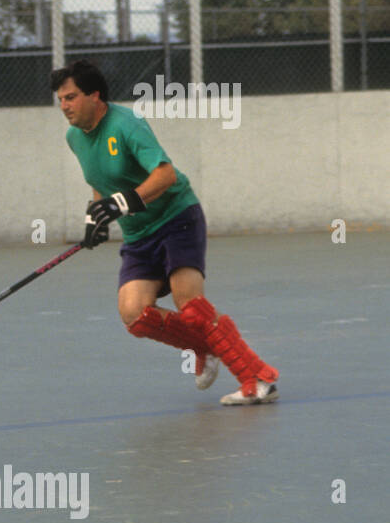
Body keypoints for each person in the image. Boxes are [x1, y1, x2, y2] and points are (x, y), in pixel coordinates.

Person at [51, 60, 279, 405]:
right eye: (61, 99)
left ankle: (258, 377)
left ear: (94, 96)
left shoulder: (126, 125)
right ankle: (207, 345)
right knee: (134, 314)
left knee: (191, 306)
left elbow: (166, 175)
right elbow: (100, 185)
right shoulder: (74, 138)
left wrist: (122, 203)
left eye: (70, 97)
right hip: (139, 235)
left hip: (176, 218)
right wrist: (95, 219)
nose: (64, 106)